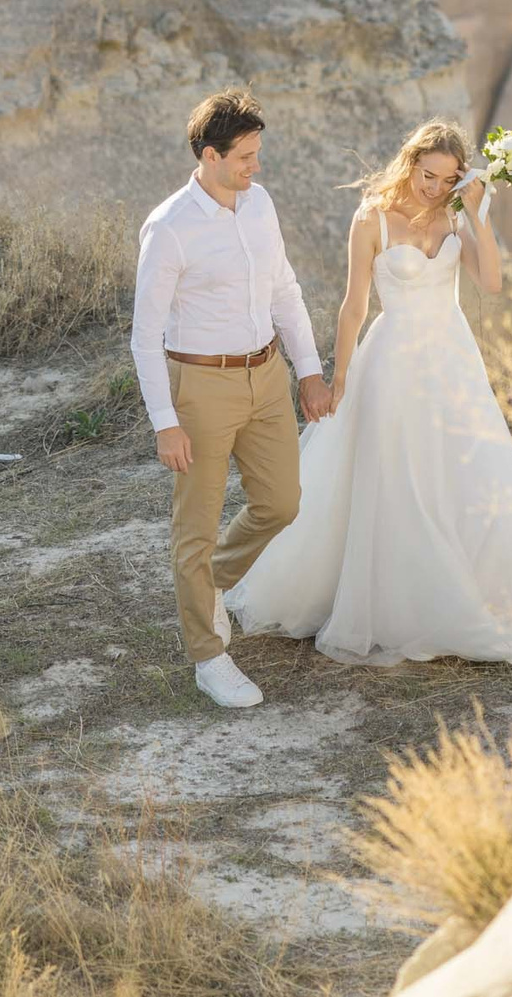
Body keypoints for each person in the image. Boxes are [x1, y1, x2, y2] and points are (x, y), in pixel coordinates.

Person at [224, 119, 512, 665]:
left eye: (448, 179)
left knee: (457, 468)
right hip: (393, 359)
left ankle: (457, 587)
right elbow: (355, 306)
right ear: (410, 161)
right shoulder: (371, 217)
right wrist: (340, 376)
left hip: (451, 359)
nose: (434, 187)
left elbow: (490, 283)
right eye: (428, 175)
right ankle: (388, 599)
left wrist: (475, 212)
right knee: (394, 474)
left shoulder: (452, 212)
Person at [130, 89, 337, 710]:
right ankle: (208, 657)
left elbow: (284, 288)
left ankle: (210, 587)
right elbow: (143, 337)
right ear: (208, 155)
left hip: (267, 375)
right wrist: (165, 423)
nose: (256, 166)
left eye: (258, 153)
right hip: (202, 387)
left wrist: (308, 370)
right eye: (245, 156)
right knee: (194, 528)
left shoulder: (260, 204)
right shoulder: (168, 228)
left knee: (281, 502)